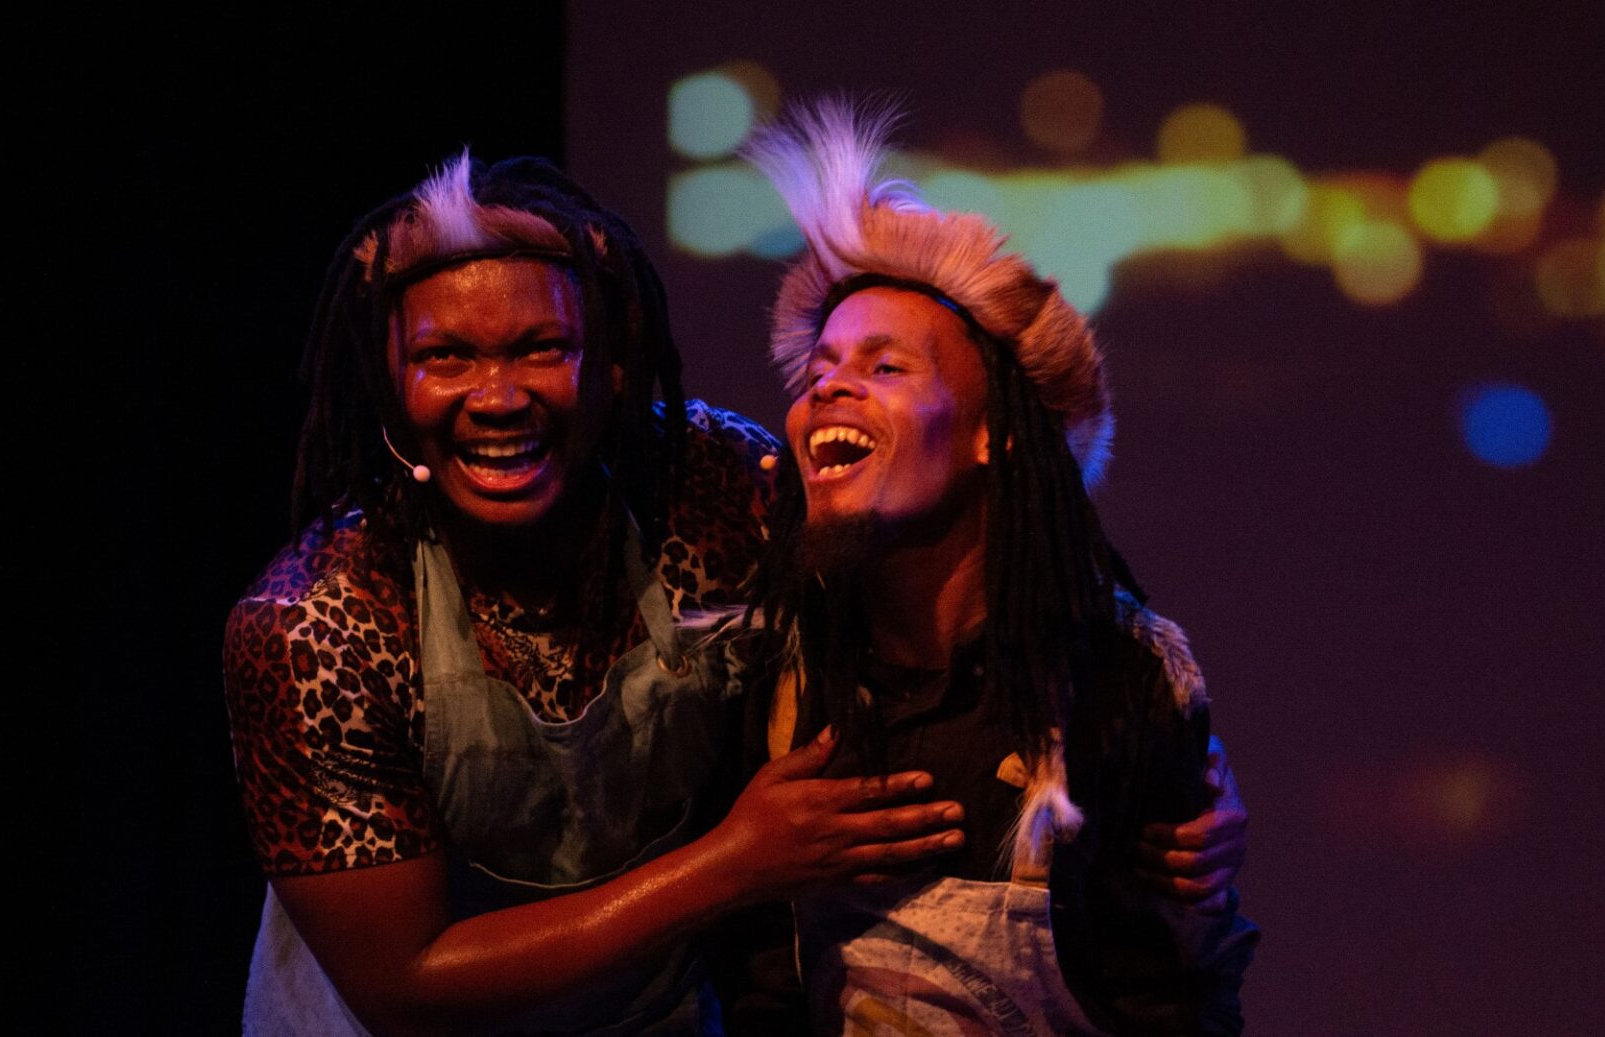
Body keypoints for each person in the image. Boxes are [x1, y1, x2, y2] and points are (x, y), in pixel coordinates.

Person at [223, 149, 1247, 1035]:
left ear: (614, 366)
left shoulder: (720, 494)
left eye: (542, 347)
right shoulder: (316, 623)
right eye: (445, 356)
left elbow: (981, 553)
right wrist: (735, 861)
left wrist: (1159, 776)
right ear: (390, 382)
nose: (497, 395)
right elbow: (406, 985)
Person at [732, 101, 1259, 1034]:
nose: (829, 386)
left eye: (885, 366)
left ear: (994, 434)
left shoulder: (1117, 681)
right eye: (818, 368)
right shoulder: (773, 673)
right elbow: (757, 987)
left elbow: (1175, 997)